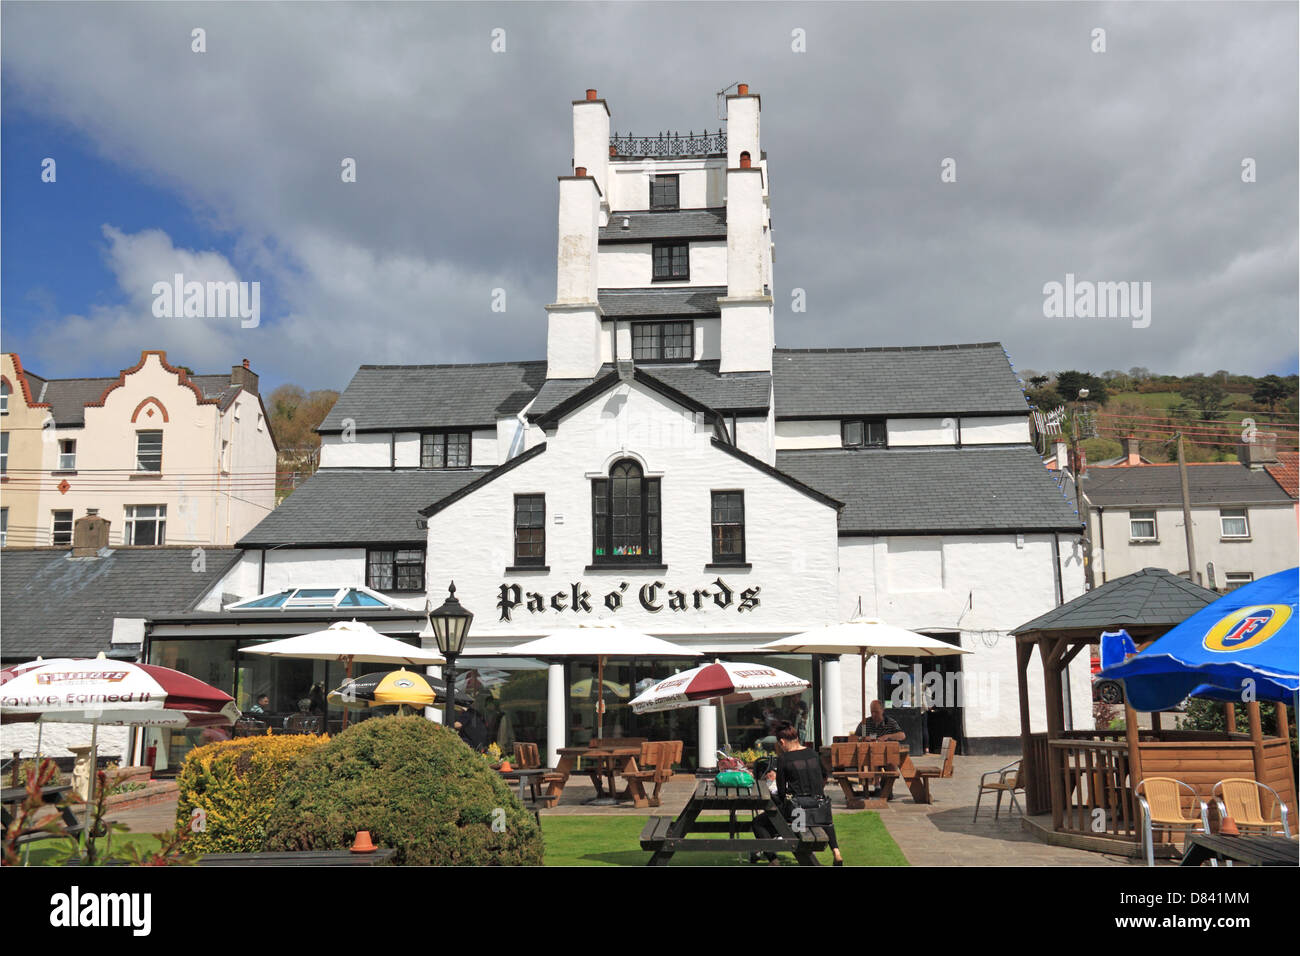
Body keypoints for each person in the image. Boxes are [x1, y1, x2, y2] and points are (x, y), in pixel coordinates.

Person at [754, 721, 844, 866]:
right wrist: (817, 791)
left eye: (779, 745)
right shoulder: (813, 754)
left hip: (798, 813)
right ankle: (836, 852)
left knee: (759, 823)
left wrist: (781, 798)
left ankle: (773, 860)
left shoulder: (784, 759)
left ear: (782, 741)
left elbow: (782, 791)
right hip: (819, 808)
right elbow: (824, 775)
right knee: (826, 820)